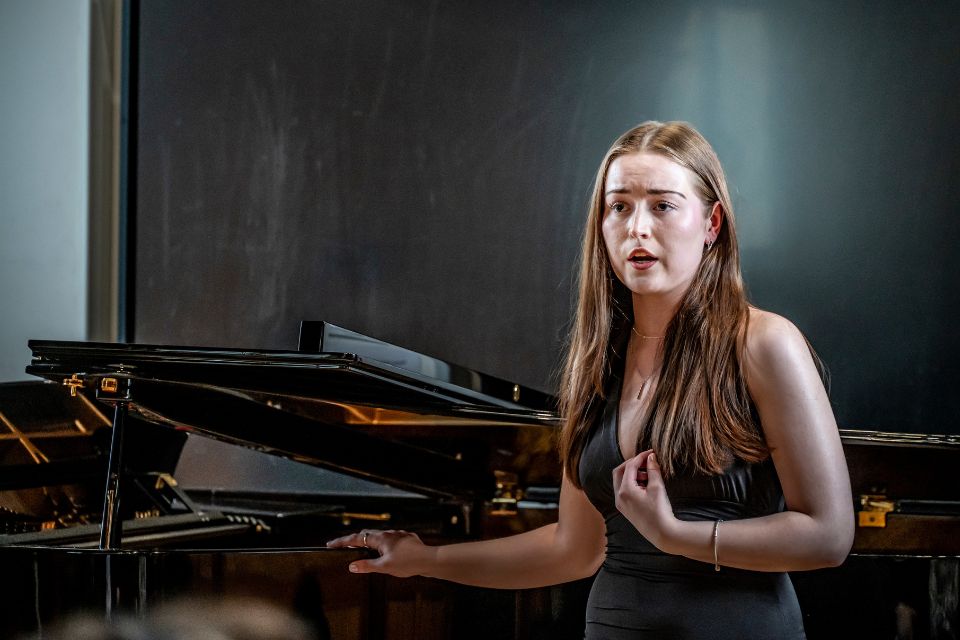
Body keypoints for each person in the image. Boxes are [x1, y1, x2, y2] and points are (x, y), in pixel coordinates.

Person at [327, 121, 854, 639]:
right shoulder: (599, 363)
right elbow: (572, 551)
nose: (637, 228)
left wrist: (676, 536)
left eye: (663, 205)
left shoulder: (764, 342)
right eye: (619, 206)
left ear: (712, 223)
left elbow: (828, 536)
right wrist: (426, 559)